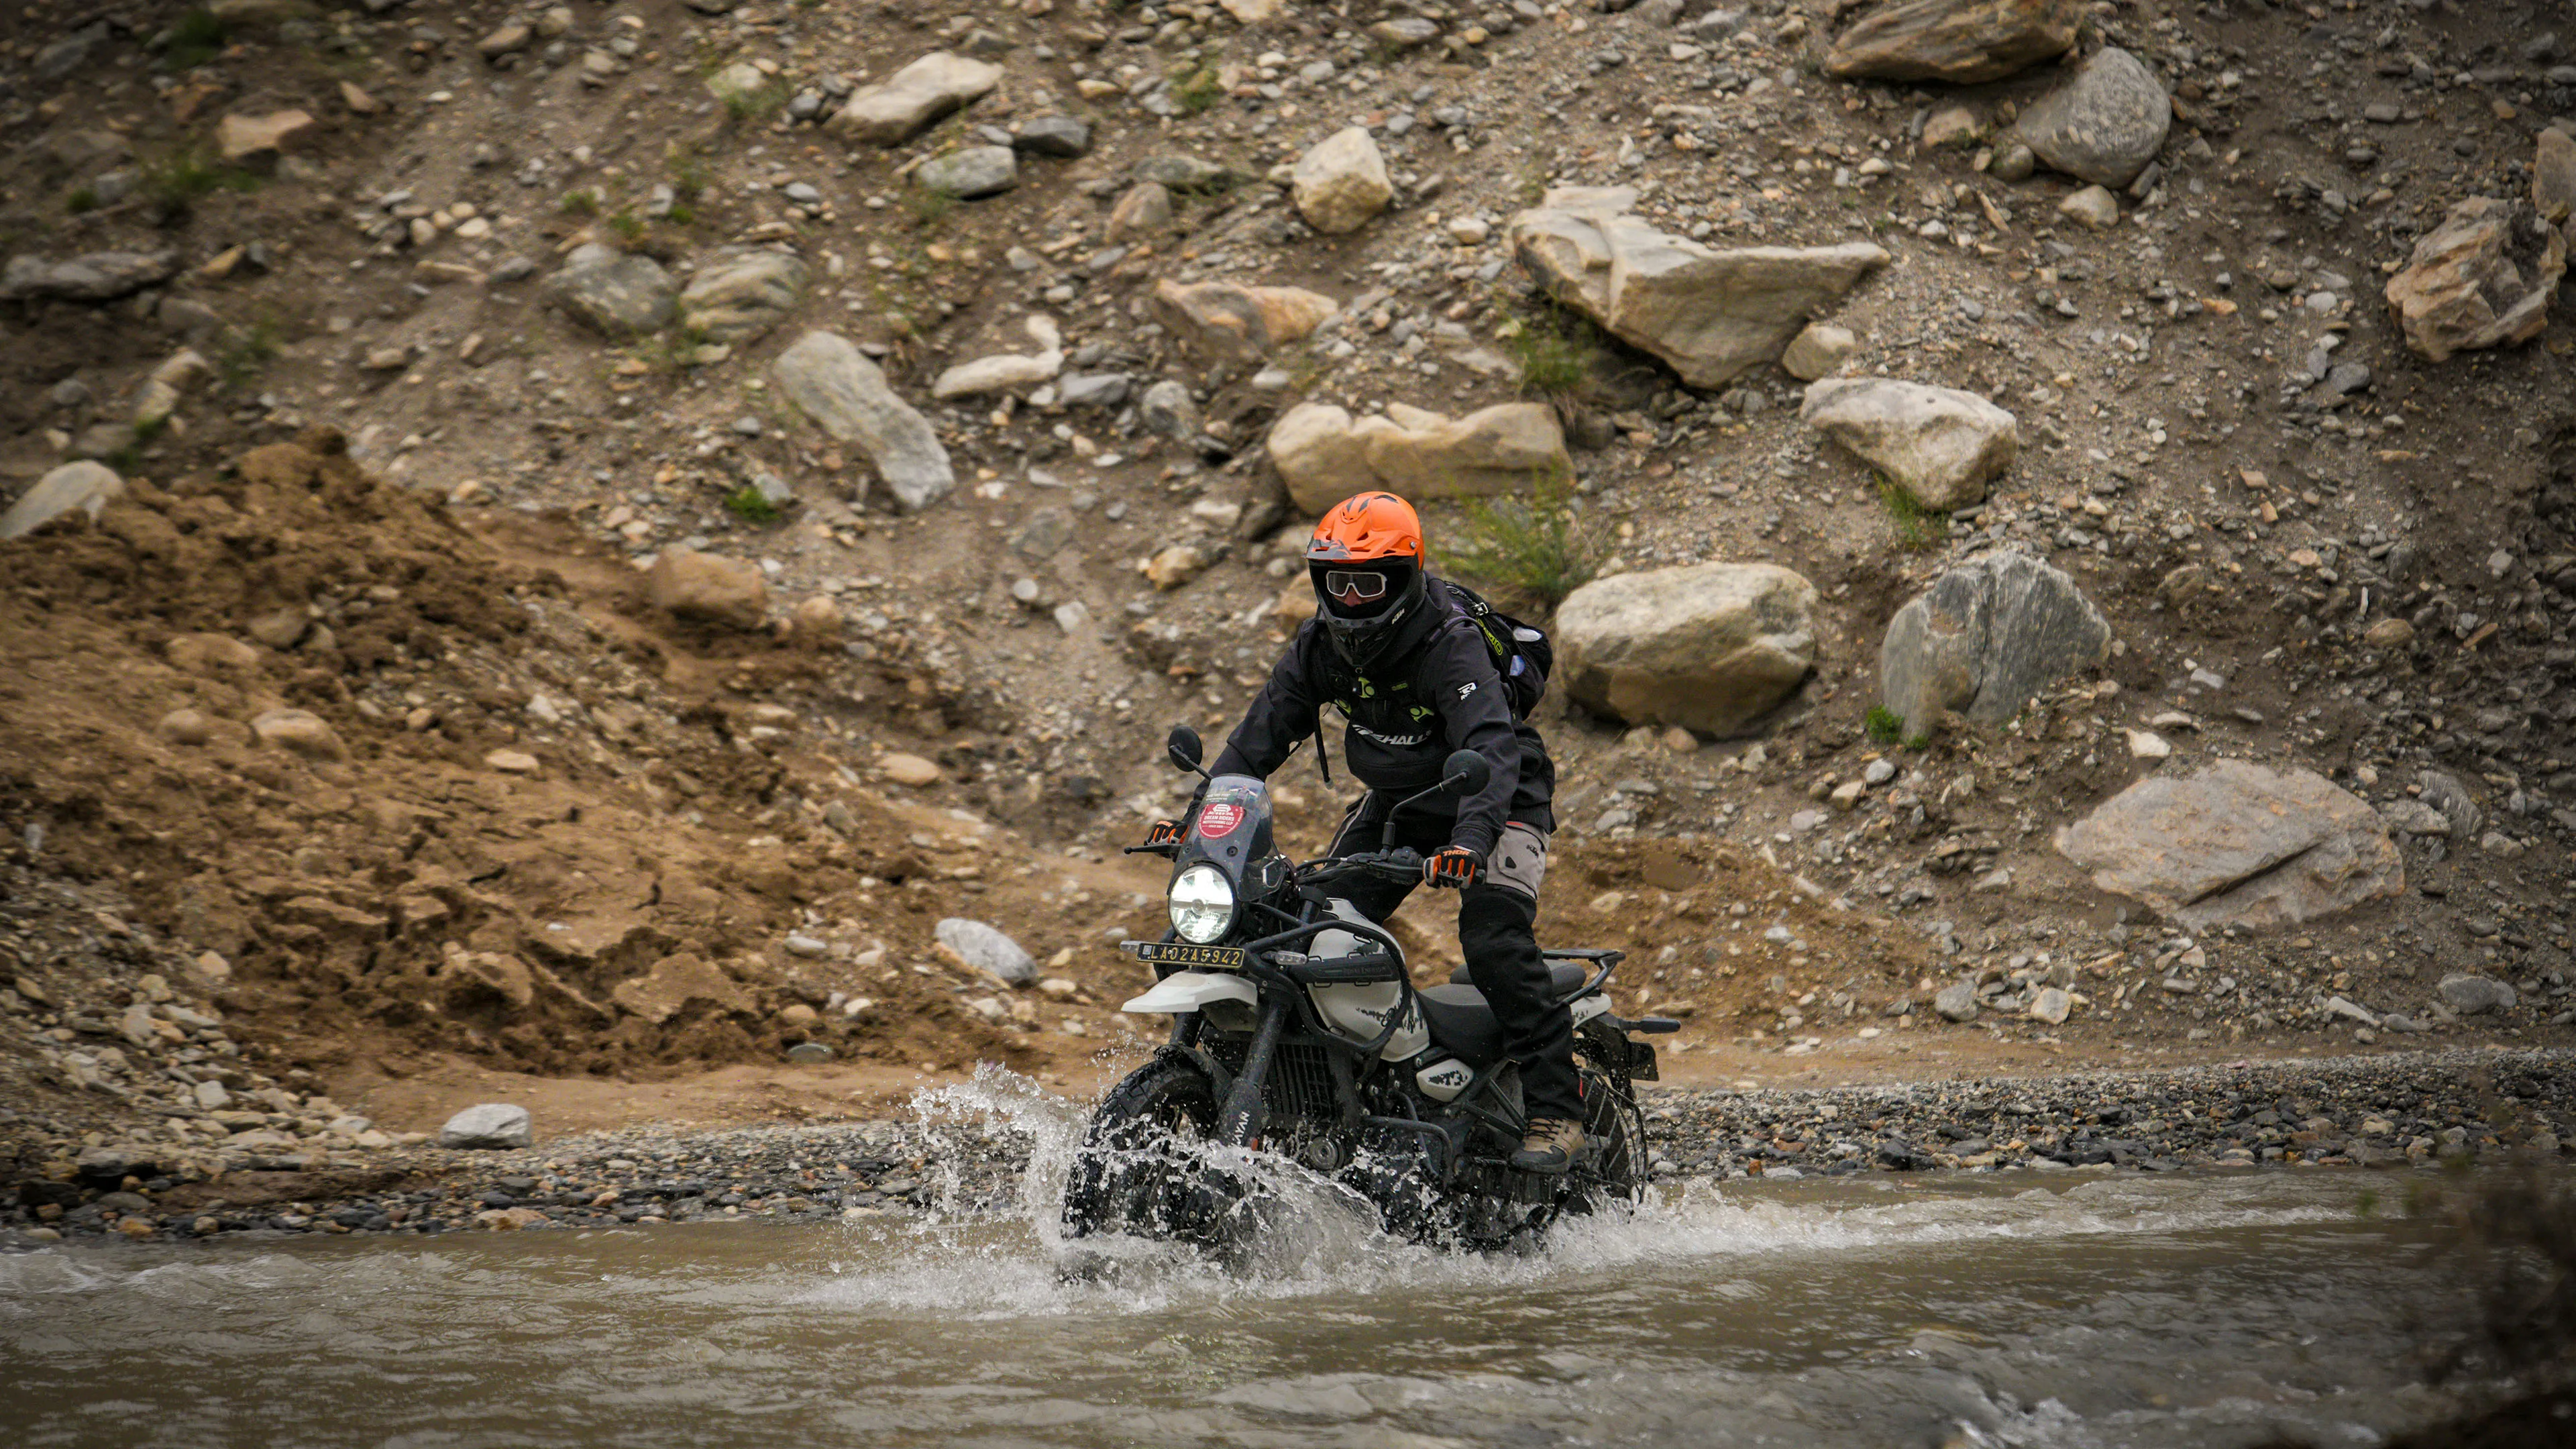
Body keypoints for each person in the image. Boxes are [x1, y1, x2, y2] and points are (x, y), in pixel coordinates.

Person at [1147, 492, 1584, 1173]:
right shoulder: (1320, 645)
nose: (1350, 599)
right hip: (1403, 800)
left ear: (1406, 576)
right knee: (1310, 925)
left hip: (1498, 799)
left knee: (1493, 939)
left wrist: (1468, 844)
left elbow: (1493, 753)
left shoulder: (1451, 643)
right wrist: (1199, 819)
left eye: (1368, 582)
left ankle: (1557, 1109)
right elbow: (1257, 741)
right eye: (1336, 581)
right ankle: (1343, 1092)